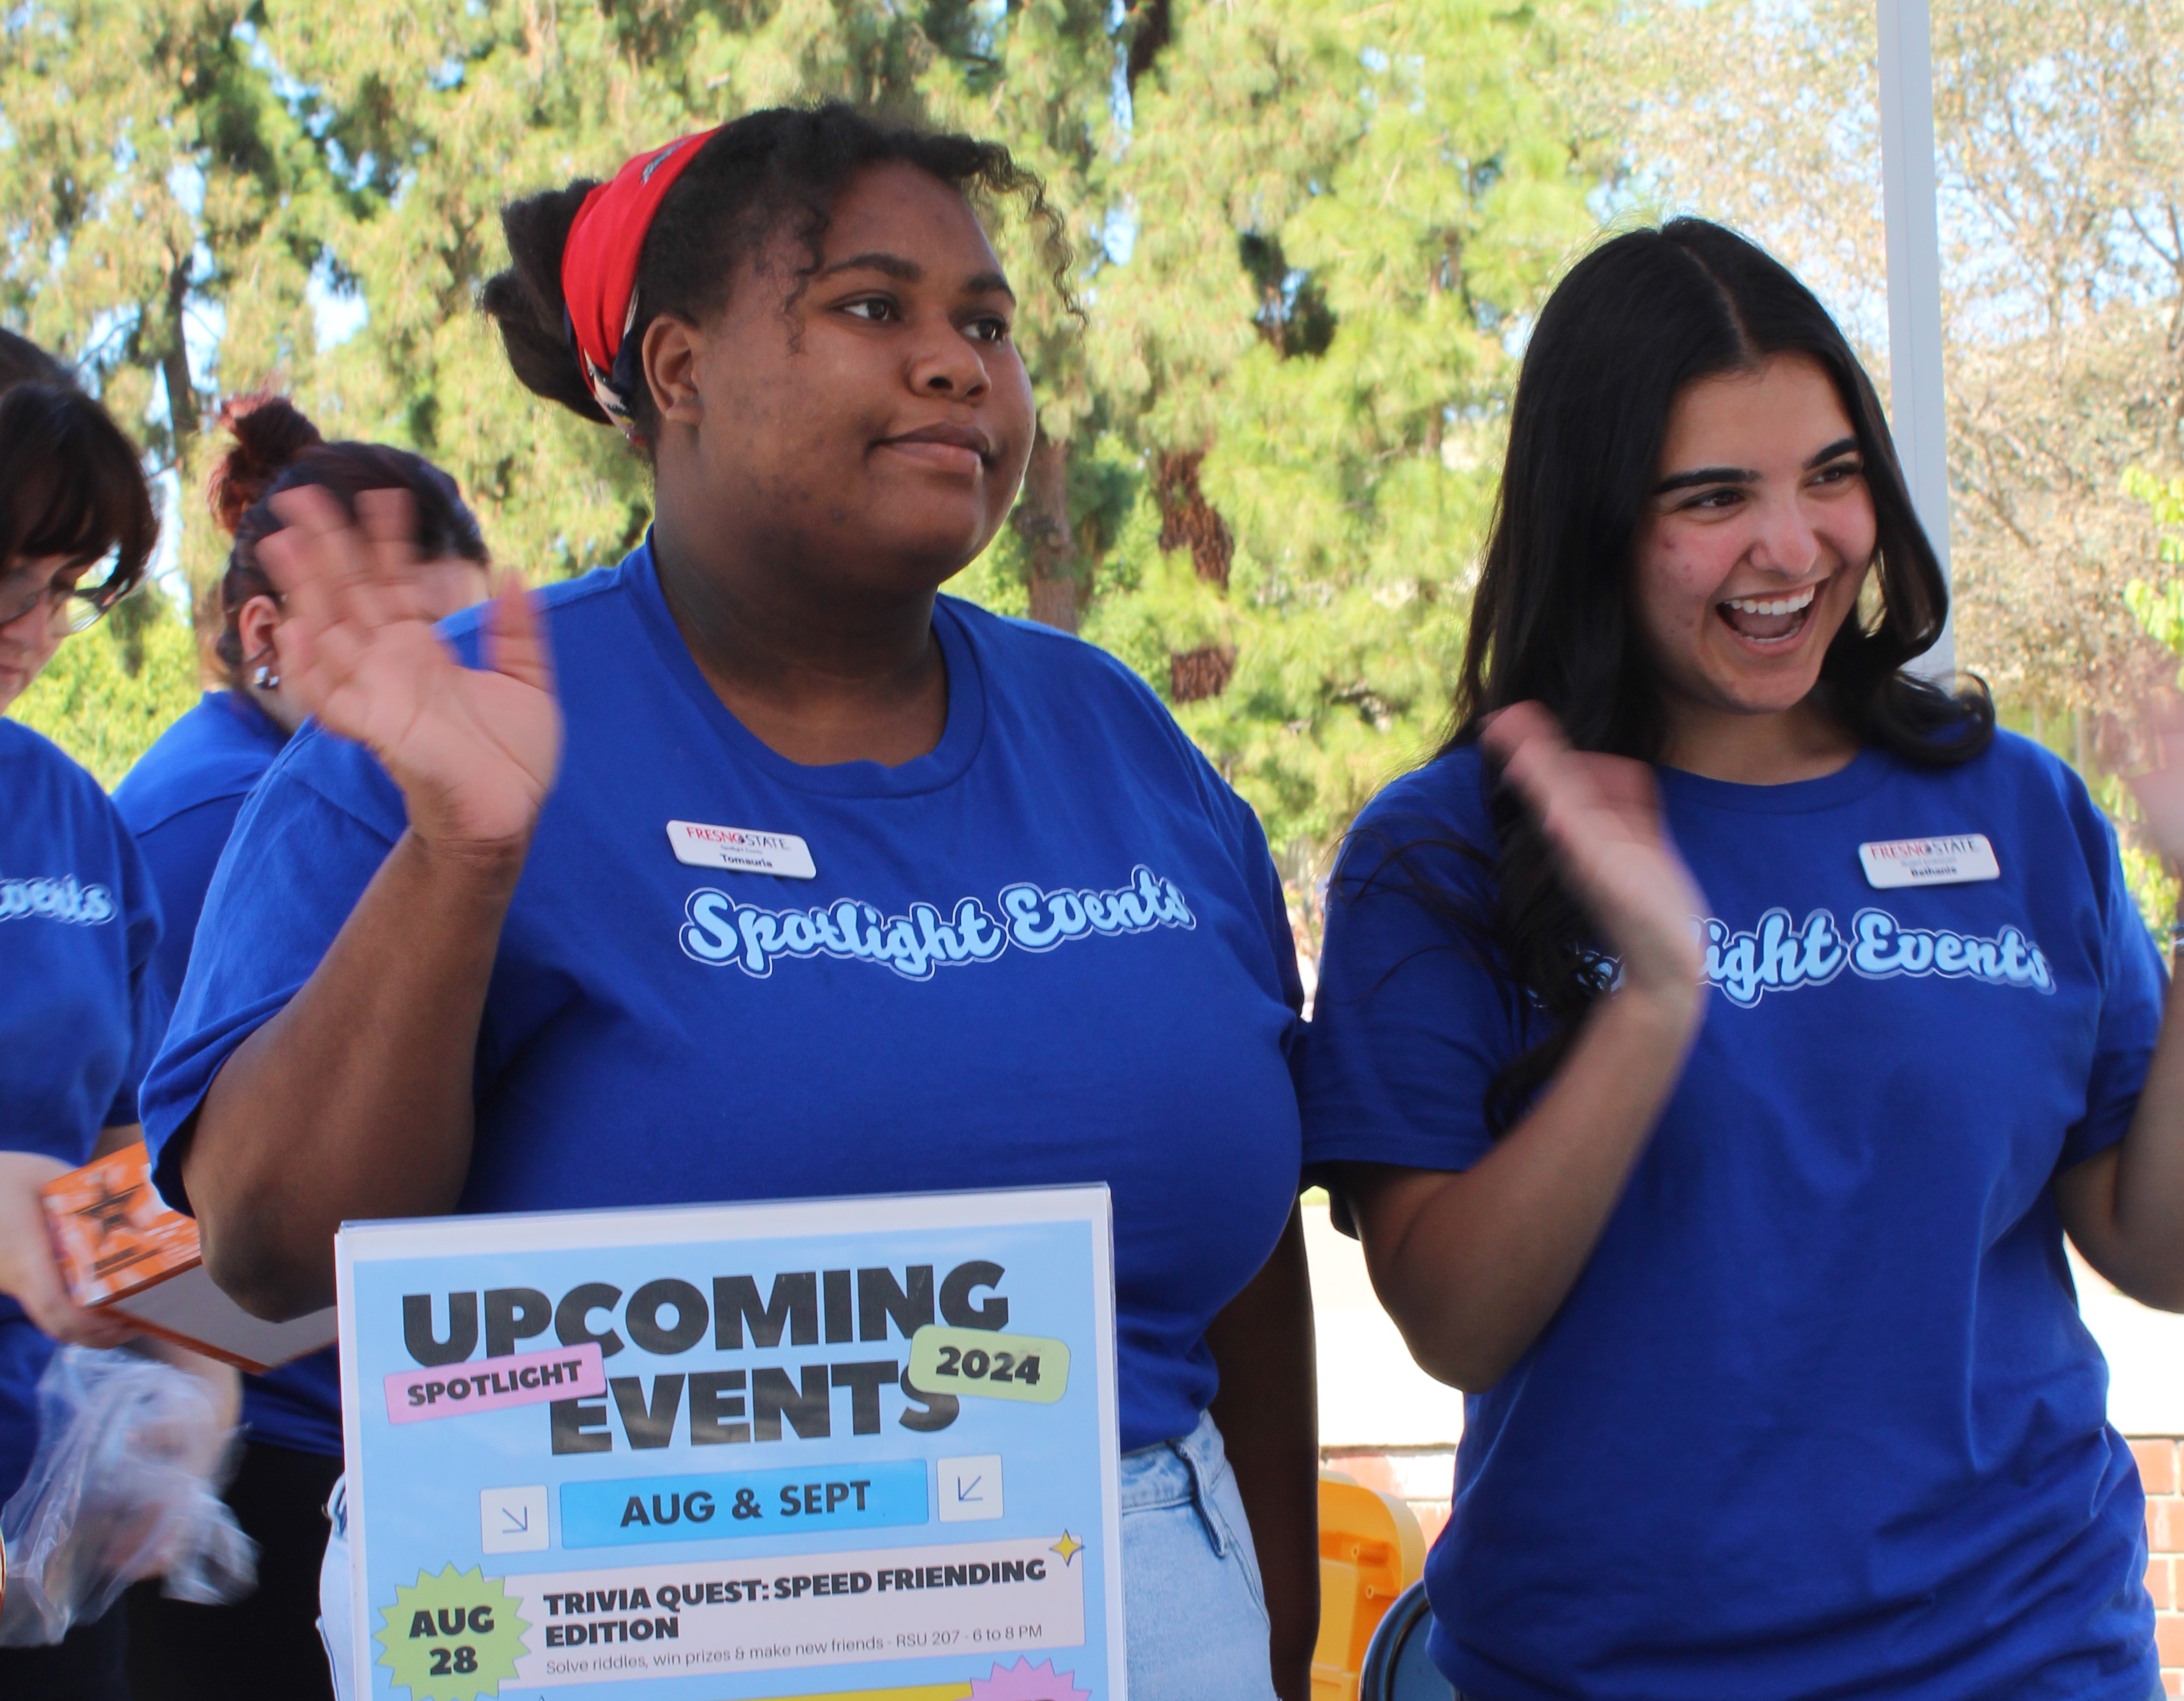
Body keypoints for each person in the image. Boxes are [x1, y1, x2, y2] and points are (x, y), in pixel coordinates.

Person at [140, 103, 1316, 1700]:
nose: (959, 364)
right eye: (871, 306)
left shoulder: (1120, 741)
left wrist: (1275, 1621)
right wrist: (461, 861)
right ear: (678, 373)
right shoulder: (452, 726)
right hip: (593, 1607)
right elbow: (271, 1251)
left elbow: (1238, 1250)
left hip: (1129, 1609)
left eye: (985, 323)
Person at [1300, 219, 2184, 1701]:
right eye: (1711, 497)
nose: (1792, 544)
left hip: (2025, 1658)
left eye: (1831, 476)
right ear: (1593, 522)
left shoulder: (2008, 808)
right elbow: (1454, 1321)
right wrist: (1655, 996)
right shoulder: (1445, 852)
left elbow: (2165, 1253)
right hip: (1603, 1670)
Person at [112, 395, 492, 1701]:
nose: (432, 688)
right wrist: (195, 1383)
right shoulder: (238, 814)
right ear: (264, 637)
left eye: (462, 644)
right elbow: (108, 1162)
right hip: (271, 1457)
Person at [0, 366, 166, 1700]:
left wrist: (188, 1371)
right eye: (8, 572)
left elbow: (120, 1163)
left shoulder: (73, 817)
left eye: (65, 583)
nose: (33, 623)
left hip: (42, 1555)